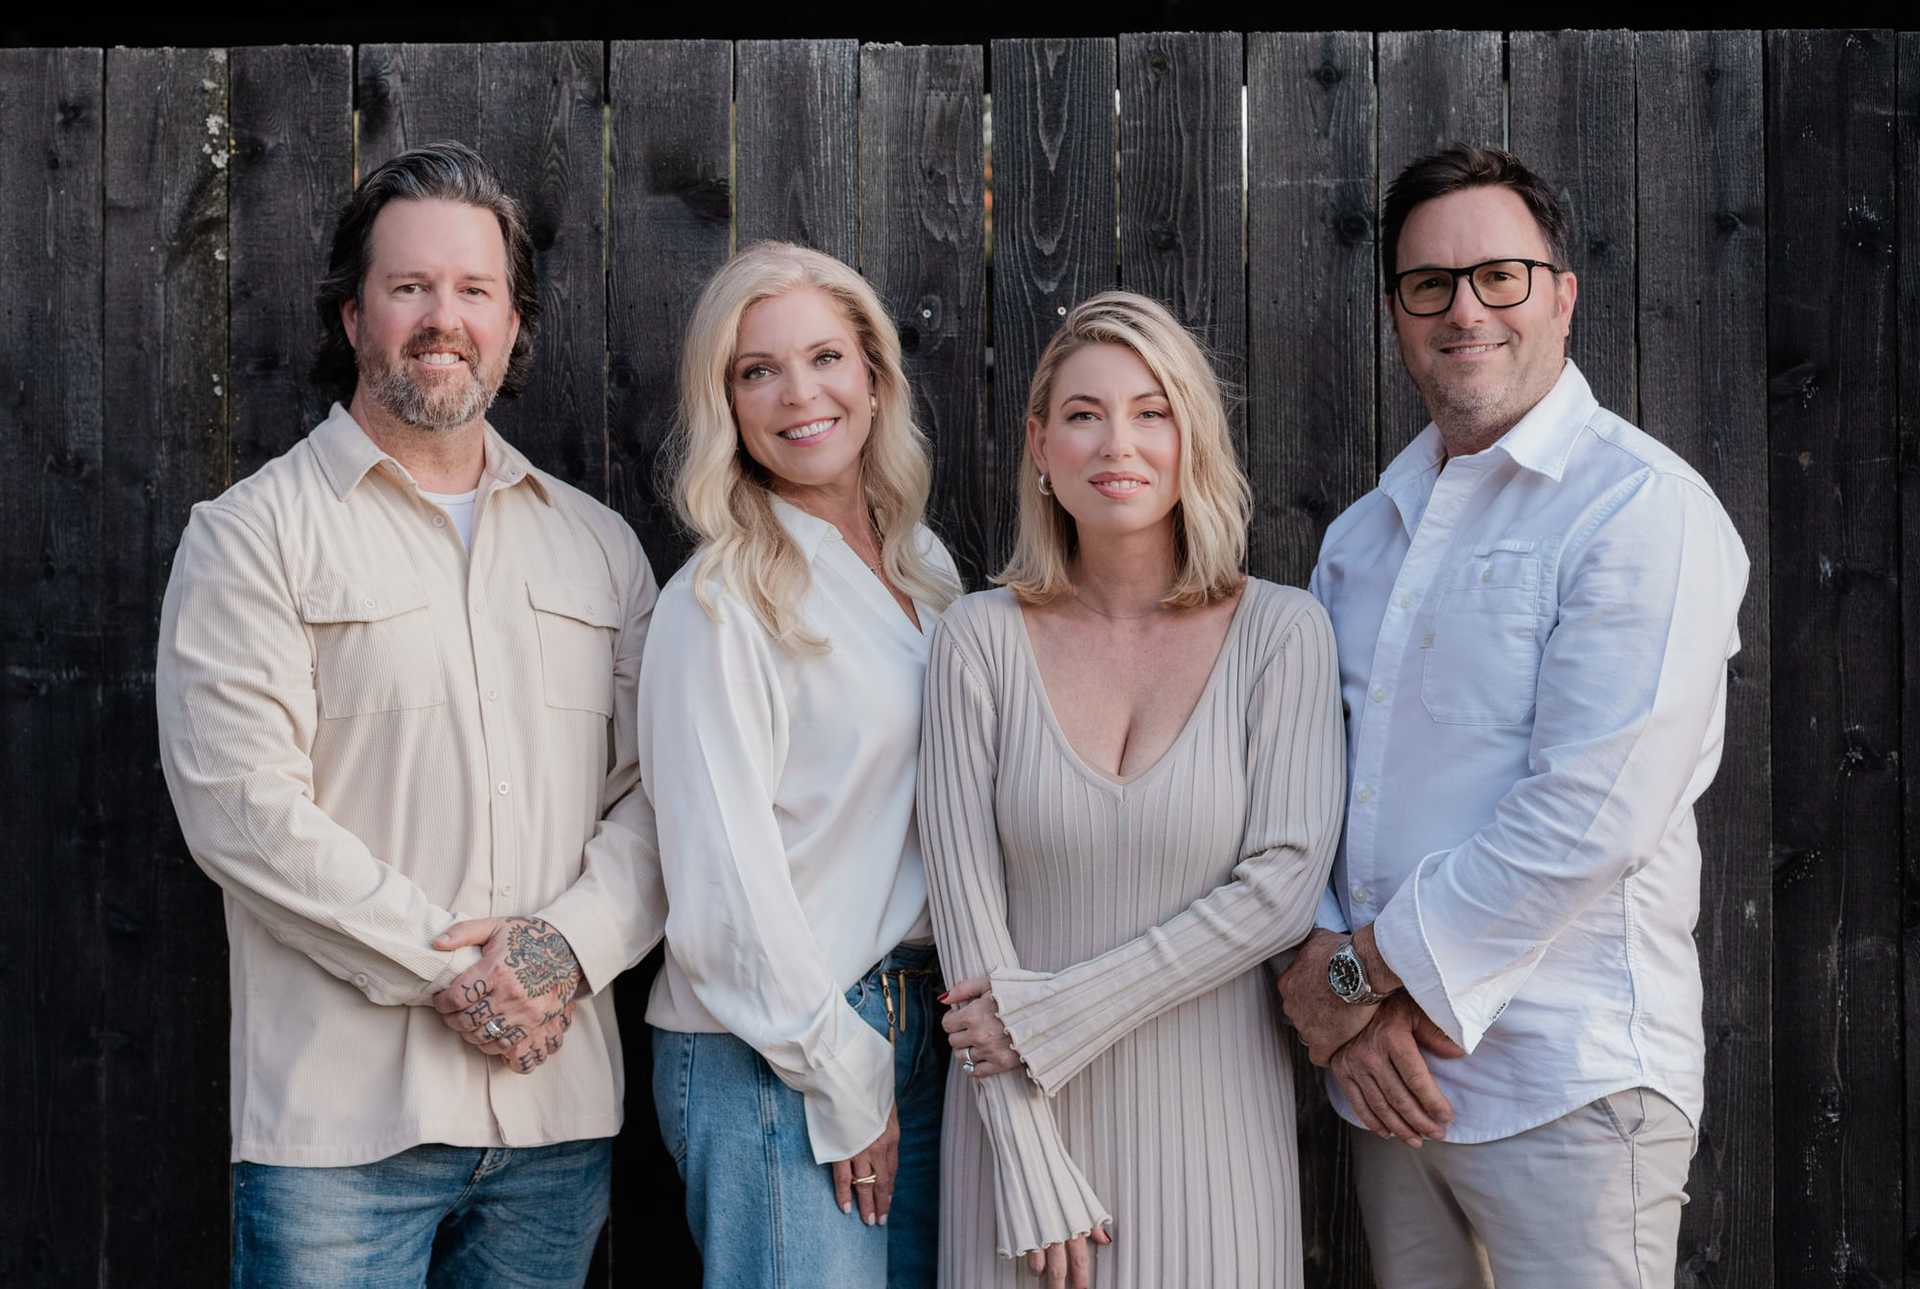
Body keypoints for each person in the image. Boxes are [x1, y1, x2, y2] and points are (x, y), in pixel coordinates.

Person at [155, 141, 664, 1287]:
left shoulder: (597, 548)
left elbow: (659, 802)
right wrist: (457, 975)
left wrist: (562, 954)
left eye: (475, 290)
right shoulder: (252, 535)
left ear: (514, 319)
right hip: (340, 1136)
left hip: (553, 1125)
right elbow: (242, 810)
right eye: (411, 287)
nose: (446, 317)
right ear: (352, 314)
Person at [1277, 144, 1750, 1287]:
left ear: (1561, 294)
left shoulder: (1643, 510)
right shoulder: (1362, 539)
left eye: (1501, 275)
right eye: (1428, 284)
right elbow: (1326, 793)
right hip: (1395, 1093)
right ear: (1397, 311)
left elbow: (1591, 813)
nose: (1464, 309)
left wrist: (1351, 981)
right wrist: (1351, 1001)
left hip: (1569, 1085)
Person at [922, 291, 1345, 1289]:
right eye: (1084, 412)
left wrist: (1059, 1015)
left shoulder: (1282, 633)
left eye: (1152, 410)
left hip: (1218, 1137)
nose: (1120, 441)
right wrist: (1025, 1162)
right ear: (1040, 440)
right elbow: (969, 928)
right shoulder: (974, 640)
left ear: (1191, 433)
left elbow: (1281, 888)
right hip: (1013, 1146)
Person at [639, 241, 963, 1288]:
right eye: (756, 369)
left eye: (825, 355)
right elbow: (721, 883)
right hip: (779, 1047)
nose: (799, 393)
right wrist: (841, 1070)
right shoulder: (720, 599)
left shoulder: (928, 569)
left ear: (874, 374)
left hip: (922, 1025)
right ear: (723, 401)